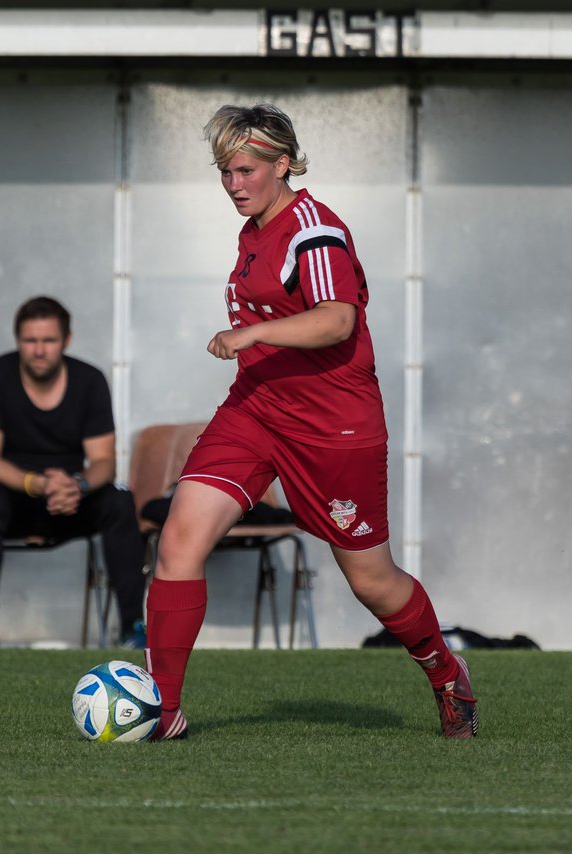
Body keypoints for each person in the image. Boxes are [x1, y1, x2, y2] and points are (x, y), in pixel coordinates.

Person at [142, 103, 478, 741]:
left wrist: (255, 332)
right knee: (179, 540)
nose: (233, 184)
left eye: (245, 170)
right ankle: (163, 711)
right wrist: (257, 348)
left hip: (334, 427)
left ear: (284, 163)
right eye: (224, 171)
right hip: (257, 409)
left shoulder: (313, 231)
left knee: (371, 581)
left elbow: (337, 319)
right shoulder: (254, 229)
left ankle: (442, 669)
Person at [0, 296, 146, 648]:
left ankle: (134, 625)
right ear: (17, 340)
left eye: (49, 341)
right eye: (30, 341)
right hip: (14, 500)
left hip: (70, 502)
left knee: (119, 503)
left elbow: (105, 461)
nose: (39, 351)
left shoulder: (89, 380)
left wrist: (77, 485)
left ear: (67, 340)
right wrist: (40, 484)